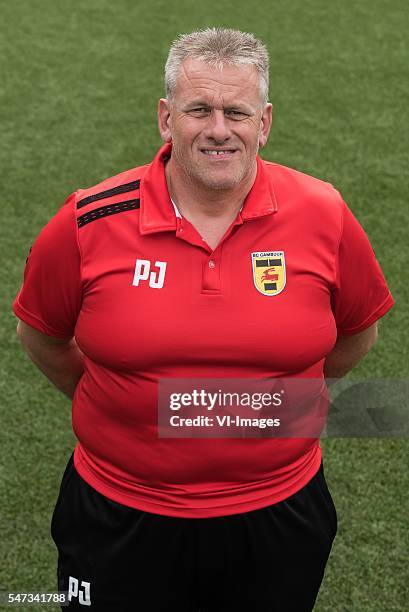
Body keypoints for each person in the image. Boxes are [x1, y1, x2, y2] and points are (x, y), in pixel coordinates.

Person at [13, 27, 394, 612]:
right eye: (199, 110)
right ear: (166, 119)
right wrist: (122, 403)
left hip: (279, 514)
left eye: (236, 112)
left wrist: (281, 405)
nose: (219, 129)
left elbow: (355, 333)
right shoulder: (87, 221)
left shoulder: (324, 213)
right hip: (118, 515)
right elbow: (41, 335)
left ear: (264, 123)